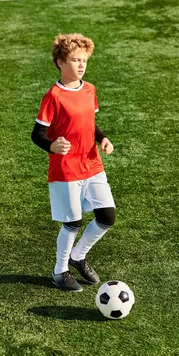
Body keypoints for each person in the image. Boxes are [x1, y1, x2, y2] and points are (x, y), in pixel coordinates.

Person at [31, 33, 116, 292]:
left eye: (84, 61)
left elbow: (90, 123)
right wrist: (51, 145)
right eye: (75, 60)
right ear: (60, 62)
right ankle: (59, 272)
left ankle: (78, 256)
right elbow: (37, 133)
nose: (81, 65)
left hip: (92, 162)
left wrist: (102, 138)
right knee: (73, 222)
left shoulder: (89, 89)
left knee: (107, 216)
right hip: (66, 167)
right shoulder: (53, 96)